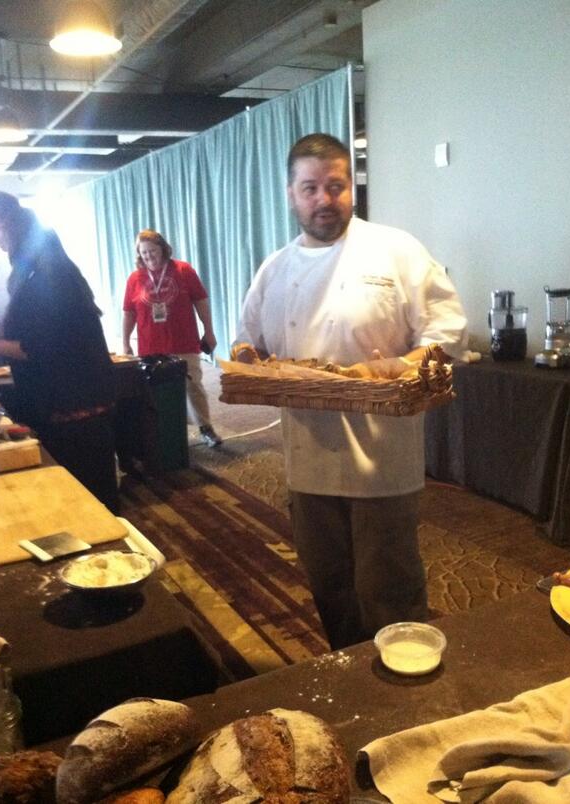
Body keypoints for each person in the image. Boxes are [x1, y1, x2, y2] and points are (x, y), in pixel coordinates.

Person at [235, 133, 468, 649]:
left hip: (382, 459)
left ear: (351, 188)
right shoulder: (275, 269)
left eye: (335, 185)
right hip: (307, 459)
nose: (324, 199)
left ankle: (405, 691)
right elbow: (248, 342)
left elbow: (448, 330)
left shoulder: (395, 250)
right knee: (329, 584)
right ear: (291, 193)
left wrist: (399, 366)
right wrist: (249, 364)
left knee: (390, 588)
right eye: (310, 187)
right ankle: (349, 673)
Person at [0, 191, 118, 512]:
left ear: (7, 223)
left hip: (72, 406)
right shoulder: (41, 265)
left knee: (90, 503)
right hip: (67, 400)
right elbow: (36, 328)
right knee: (86, 499)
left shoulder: (46, 273)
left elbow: (40, 347)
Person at [122, 229, 222, 448]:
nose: (149, 256)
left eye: (152, 251)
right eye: (144, 253)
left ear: (163, 249)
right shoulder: (134, 279)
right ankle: (168, 432)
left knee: (193, 385)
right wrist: (126, 341)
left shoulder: (183, 270)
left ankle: (206, 428)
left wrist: (209, 330)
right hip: (150, 347)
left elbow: (201, 301)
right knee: (157, 392)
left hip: (183, 341)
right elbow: (129, 312)